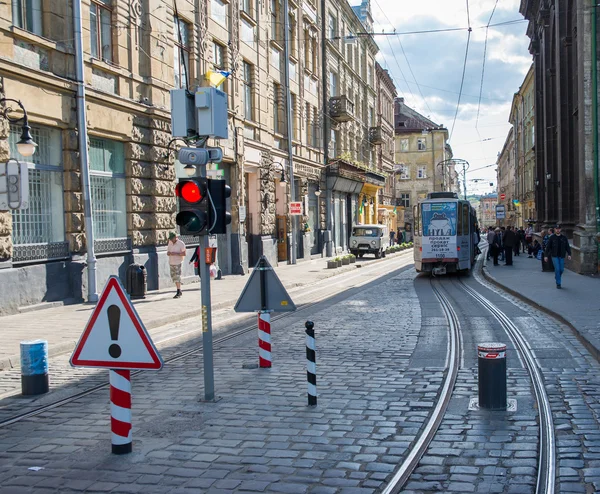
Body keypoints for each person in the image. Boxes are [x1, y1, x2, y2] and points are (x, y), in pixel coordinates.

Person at [167, 232, 186, 298]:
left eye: (172, 238)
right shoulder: (170, 243)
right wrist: (169, 253)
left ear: (175, 237)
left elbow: (184, 253)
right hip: (171, 262)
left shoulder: (181, 243)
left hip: (178, 262)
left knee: (177, 277)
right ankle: (179, 290)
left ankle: (178, 290)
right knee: (174, 277)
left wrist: (175, 254)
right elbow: (168, 252)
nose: (171, 240)